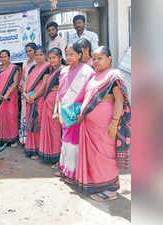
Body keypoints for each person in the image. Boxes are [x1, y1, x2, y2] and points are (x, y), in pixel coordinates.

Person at [75, 46, 131, 201]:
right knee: (94, 157)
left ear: (109, 59)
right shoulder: (94, 77)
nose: (96, 61)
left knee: (105, 156)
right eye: (94, 58)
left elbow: (119, 100)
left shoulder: (114, 76)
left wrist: (114, 123)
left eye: (99, 58)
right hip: (90, 126)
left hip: (105, 125)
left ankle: (110, 190)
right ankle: (96, 184)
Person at [53, 42, 94, 184]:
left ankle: (73, 172)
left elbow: (91, 93)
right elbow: (60, 92)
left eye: (72, 54)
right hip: (64, 110)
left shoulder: (87, 71)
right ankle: (65, 168)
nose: (69, 57)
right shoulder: (63, 71)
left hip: (76, 112)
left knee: (73, 143)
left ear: (80, 54)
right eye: (67, 54)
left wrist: (82, 112)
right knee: (65, 141)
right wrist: (56, 110)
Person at [38, 48, 66, 166]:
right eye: (49, 58)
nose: (51, 60)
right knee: (49, 129)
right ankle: (50, 155)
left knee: (55, 131)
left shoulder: (63, 70)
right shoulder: (51, 70)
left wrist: (58, 89)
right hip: (48, 103)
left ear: (60, 58)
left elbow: (65, 87)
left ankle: (57, 157)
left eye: (54, 57)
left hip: (56, 105)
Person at [23, 45, 51, 159]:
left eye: (41, 55)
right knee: (30, 124)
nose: (38, 57)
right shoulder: (32, 68)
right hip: (29, 100)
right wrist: (25, 94)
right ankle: (31, 149)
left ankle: (40, 150)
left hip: (39, 100)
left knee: (38, 124)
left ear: (45, 55)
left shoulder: (47, 67)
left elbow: (44, 84)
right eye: (36, 55)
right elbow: (26, 81)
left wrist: (34, 96)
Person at [0, 49, 20, 147]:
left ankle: (13, 139)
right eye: (1, 57)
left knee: (11, 117)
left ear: (9, 57)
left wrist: (7, 94)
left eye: (5, 56)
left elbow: (15, 82)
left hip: (10, 97)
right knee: (1, 118)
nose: (3, 58)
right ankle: (3, 138)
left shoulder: (14, 68)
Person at [19, 43, 37, 145]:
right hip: (25, 93)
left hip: (35, 93)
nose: (28, 53)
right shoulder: (25, 63)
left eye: (30, 51)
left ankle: (34, 141)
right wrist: (21, 89)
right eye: (27, 51)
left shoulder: (38, 62)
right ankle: (25, 140)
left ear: (35, 51)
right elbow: (23, 79)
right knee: (24, 115)